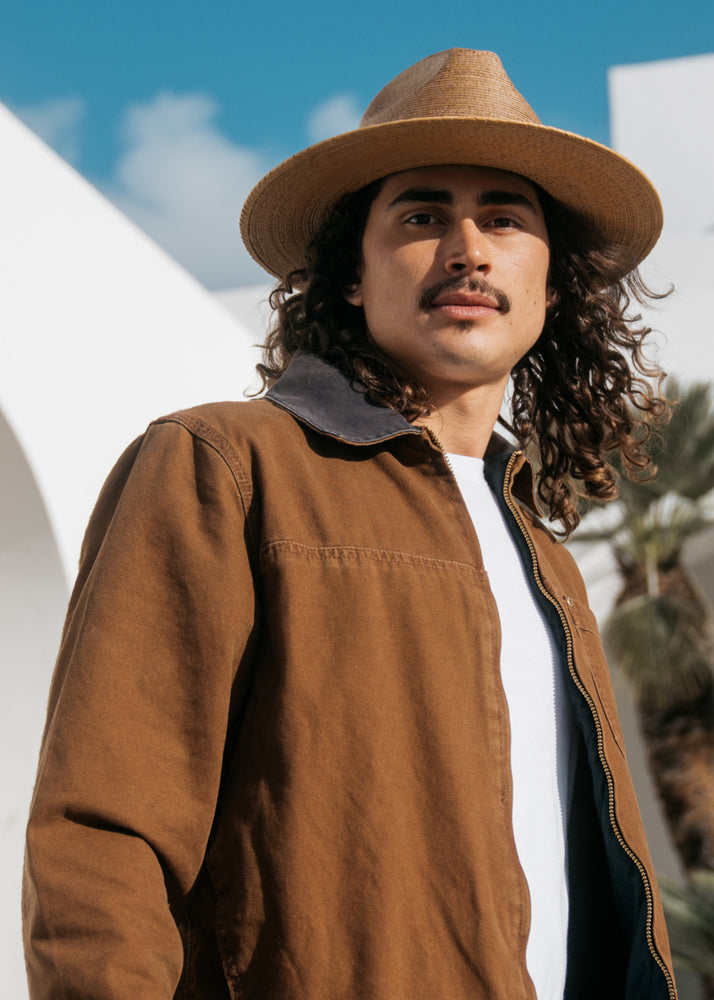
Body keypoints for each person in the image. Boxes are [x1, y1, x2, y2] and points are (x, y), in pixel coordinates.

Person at [23, 48, 677, 1000]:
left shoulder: (542, 554)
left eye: (504, 216)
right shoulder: (225, 465)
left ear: (553, 286)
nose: (467, 249)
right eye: (421, 215)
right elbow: (103, 834)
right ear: (353, 278)